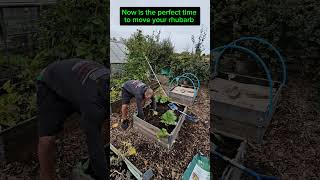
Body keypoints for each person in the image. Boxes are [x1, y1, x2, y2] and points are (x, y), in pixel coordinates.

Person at [36, 58, 109, 180]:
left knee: (105, 122)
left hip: (76, 83)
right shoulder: (93, 104)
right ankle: (46, 176)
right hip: (50, 83)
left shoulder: (108, 84)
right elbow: (93, 143)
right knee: (48, 139)